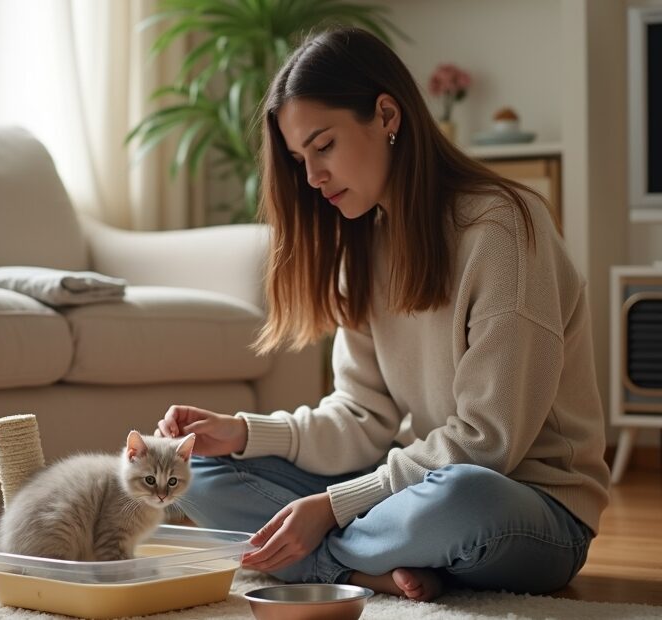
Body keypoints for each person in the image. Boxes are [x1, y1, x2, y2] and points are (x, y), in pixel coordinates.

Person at [155, 27, 610, 602]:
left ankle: (331, 563)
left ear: (387, 115)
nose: (313, 176)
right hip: (415, 492)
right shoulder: (364, 244)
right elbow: (361, 415)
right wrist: (243, 433)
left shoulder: (503, 228)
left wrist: (330, 508)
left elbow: (488, 443)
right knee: (192, 469)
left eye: (324, 146)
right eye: (300, 159)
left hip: (527, 509)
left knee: (460, 498)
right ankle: (371, 564)